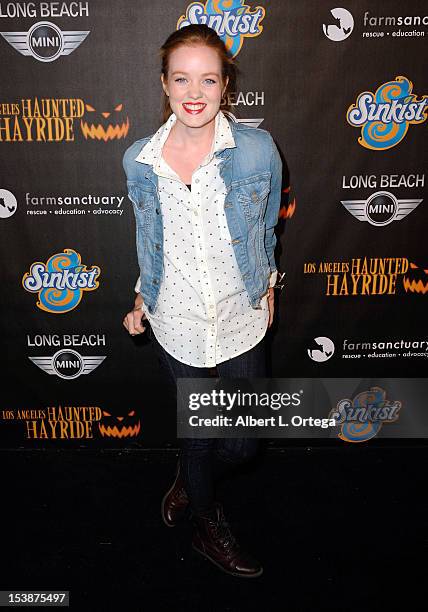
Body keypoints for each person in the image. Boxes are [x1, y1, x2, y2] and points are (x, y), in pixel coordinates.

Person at [122, 24, 282, 578]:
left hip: (241, 319)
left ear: (225, 85)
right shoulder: (139, 161)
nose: (195, 92)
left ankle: (192, 475)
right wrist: (142, 295)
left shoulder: (259, 151)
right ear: (165, 85)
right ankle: (205, 518)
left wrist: (269, 285)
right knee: (197, 436)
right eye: (182, 78)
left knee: (242, 445)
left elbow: (265, 229)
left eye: (208, 79)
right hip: (177, 319)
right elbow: (150, 236)